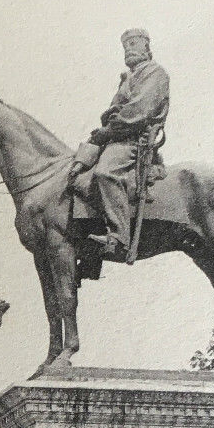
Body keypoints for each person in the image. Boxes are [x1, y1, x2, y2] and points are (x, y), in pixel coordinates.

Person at [68, 27, 170, 264]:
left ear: (147, 46)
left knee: (105, 173)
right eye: (125, 46)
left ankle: (119, 237)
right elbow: (113, 111)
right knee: (79, 176)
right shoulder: (127, 78)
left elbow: (139, 110)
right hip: (116, 136)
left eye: (134, 44)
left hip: (135, 139)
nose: (128, 49)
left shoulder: (155, 73)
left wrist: (110, 127)